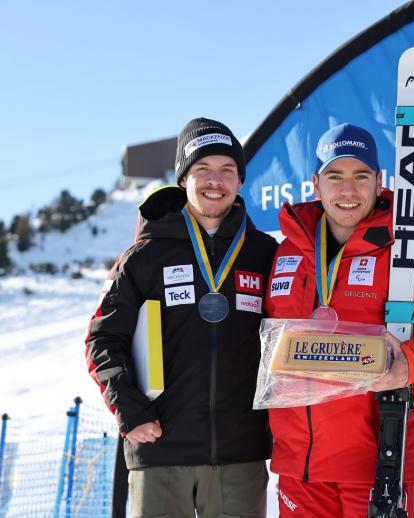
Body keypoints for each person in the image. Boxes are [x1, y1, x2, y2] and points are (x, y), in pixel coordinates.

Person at [86, 117, 278, 518]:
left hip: (240, 457)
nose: (215, 181)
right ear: (183, 179)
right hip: (160, 451)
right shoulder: (143, 257)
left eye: (227, 170)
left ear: (240, 180)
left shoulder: (264, 254)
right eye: (202, 169)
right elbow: (103, 341)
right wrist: (131, 412)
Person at [264, 123, 414, 517]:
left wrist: (407, 363)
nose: (348, 191)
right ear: (316, 184)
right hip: (299, 468)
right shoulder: (288, 250)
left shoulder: (409, 247)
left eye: (360, 176)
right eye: (335, 177)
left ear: (379, 181)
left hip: (377, 463)